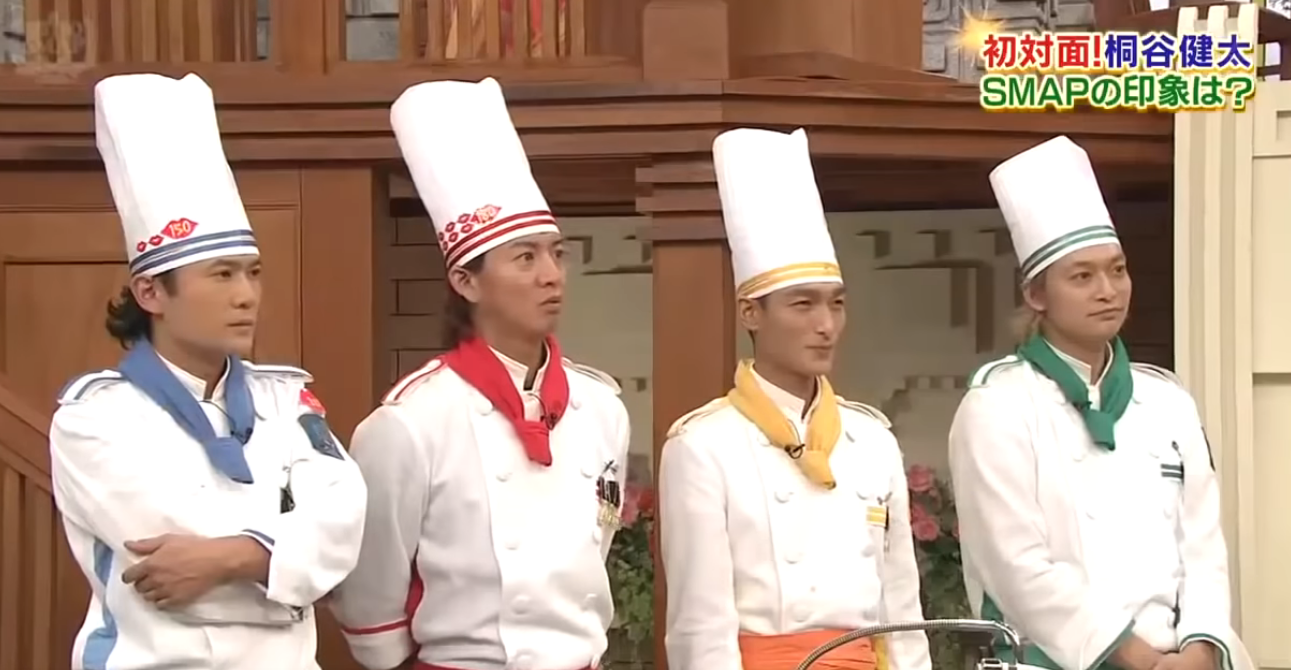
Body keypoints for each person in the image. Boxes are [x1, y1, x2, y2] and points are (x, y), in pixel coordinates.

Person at [50, 72, 368, 670]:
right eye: (222, 275)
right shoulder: (95, 418)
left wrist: (229, 558)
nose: (247, 294)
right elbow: (170, 574)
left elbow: (345, 525)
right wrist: (289, 572)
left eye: (253, 272)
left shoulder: (287, 402)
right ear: (151, 291)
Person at [329, 77, 631, 670]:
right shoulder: (411, 421)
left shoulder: (601, 408)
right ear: (466, 282)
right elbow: (371, 589)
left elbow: (597, 545)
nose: (552, 275)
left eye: (556, 253)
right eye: (525, 258)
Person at [948, 136, 1253, 670]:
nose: (1108, 290)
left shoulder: (1168, 401)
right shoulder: (996, 406)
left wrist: (1201, 648)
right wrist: (1137, 659)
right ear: (1036, 295)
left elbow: (1203, 548)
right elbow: (1018, 567)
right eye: (1082, 277)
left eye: (1117, 269)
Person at [658, 127, 932, 670]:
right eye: (802, 305)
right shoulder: (703, 446)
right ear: (751, 314)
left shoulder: (872, 439)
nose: (826, 325)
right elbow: (700, 629)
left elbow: (902, 608)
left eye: (836, 304)